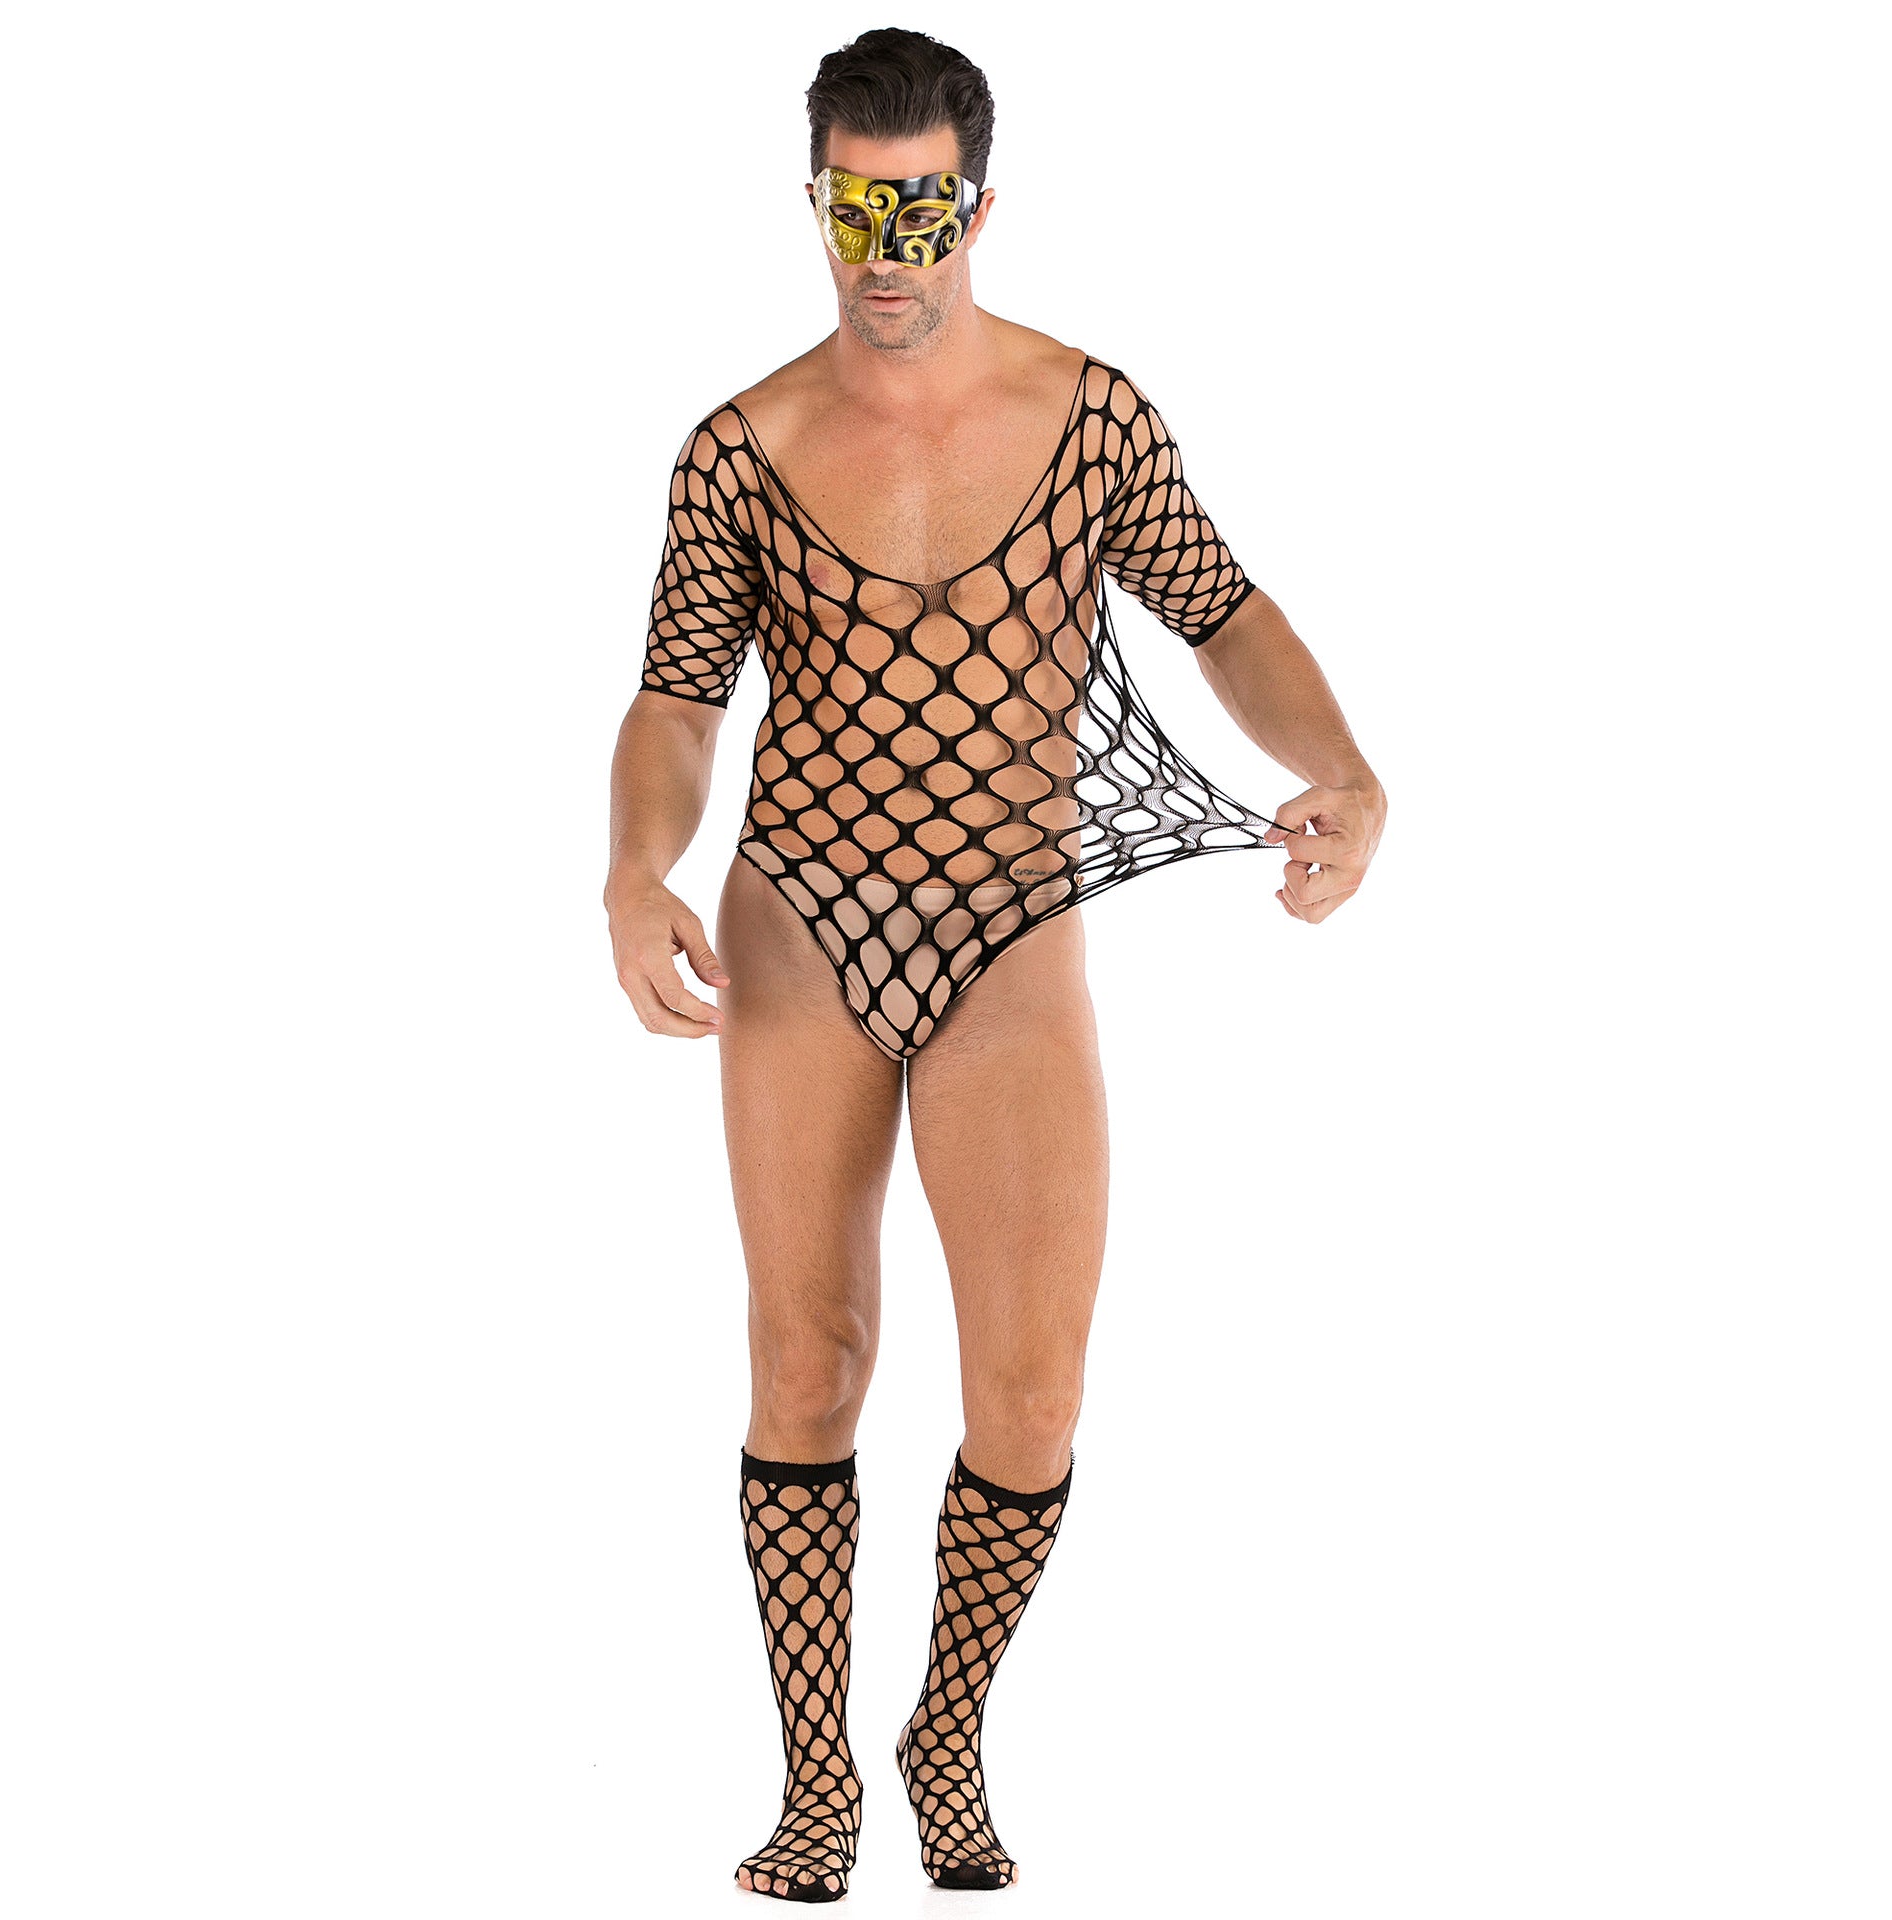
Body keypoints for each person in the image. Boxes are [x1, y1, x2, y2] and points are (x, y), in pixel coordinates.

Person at [604, 27, 1387, 1903]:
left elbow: (1226, 613)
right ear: (812, 204)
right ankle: (815, 1784)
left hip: (1011, 925)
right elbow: (677, 699)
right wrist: (634, 868)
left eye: (922, 209)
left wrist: (1345, 770)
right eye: (854, 207)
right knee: (808, 1363)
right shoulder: (742, 448)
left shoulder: (1088, 415)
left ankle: (942, 1733)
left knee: (1030, 1397)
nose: (888, 250)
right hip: (806, 914)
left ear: (978, 209)